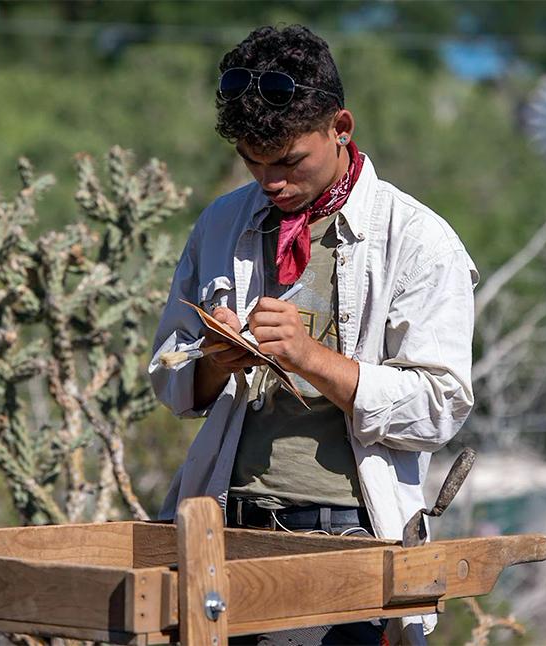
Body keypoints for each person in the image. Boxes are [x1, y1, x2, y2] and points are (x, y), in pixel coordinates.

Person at [148, 24, 478, 645]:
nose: (270, 180)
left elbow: (440, 408)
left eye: (289, 161)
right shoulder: (221, 223)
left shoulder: (416, 240)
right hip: (223, 528)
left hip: (347, 537)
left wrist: (308, 357)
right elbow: (170, 380)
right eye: (253, 161)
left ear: (341, 128)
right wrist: (215, 360)